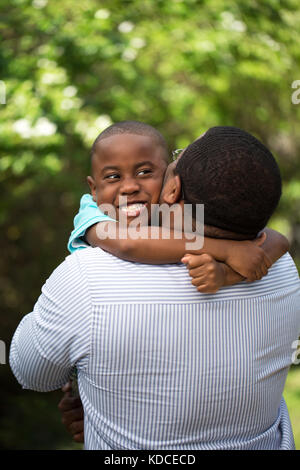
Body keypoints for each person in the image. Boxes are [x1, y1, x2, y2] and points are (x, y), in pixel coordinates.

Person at [10, 126, 300, 450]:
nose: (130, 187)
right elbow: (130, 243)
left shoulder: (88, 279)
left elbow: (32, 374)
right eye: (113, 177)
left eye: (149, 171)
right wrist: (230, 259)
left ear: (172, 188)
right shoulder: (280, 270)